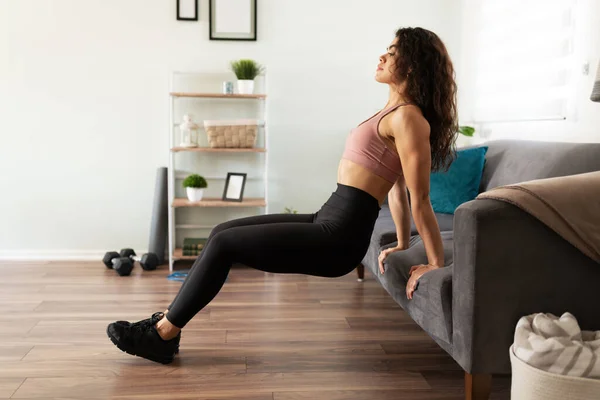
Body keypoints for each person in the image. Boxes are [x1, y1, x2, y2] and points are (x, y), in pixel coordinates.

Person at [106, 26, 458, 365]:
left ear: (412, 64)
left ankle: (163, 335)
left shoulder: (410, 118)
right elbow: (394, 189)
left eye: (392, 52)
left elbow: (418, 196)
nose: (382, 56)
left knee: (224, 246)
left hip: (340, 236)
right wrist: (399, 241)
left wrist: (435, 263)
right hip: (329, 217)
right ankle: (166, 325)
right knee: (220, 233)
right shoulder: (392, 113)